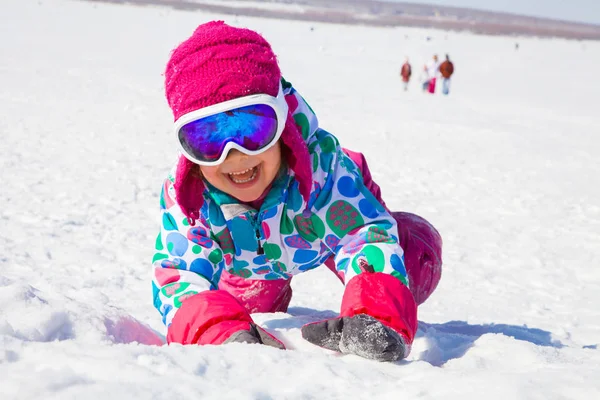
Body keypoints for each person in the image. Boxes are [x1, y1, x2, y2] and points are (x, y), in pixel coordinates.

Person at [152, 21, 443, 362]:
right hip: (252, 263)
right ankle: (263, 291)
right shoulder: (190, 197)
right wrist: (216, 330)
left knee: (409, 258)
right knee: (241, 313)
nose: (234, 154)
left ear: (283, 122)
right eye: (207, 138)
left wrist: (376, 312)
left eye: (252, 128)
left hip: (322, 226)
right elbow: (179, 273)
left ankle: (391, 287)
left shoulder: (324, 170)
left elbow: (364, 236)